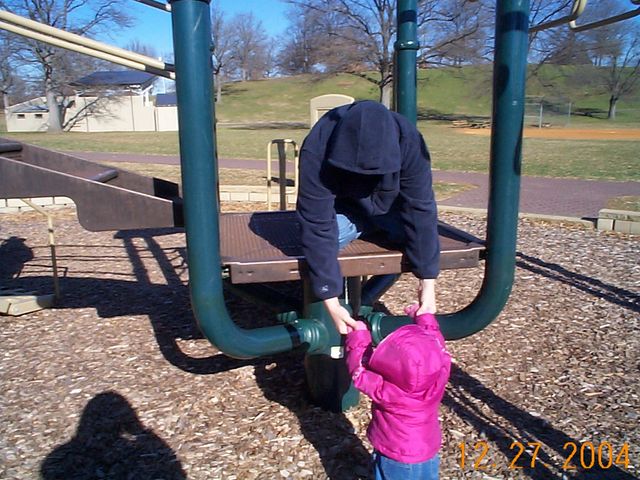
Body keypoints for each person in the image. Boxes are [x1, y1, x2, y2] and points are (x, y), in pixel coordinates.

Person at [296, 100, 440, 334]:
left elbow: (420, 209)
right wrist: (330, 298)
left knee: (420, 237)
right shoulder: (318, 145)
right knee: (320, 240)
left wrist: (428, 282)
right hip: (346, 211)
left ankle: (375, 230)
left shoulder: (409, 141)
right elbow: (316, 221)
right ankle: (364, 227)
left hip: (393, 210)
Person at [344, 304, 451, 480]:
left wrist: (358, 336)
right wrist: (424, 319)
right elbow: (437, 343)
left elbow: (360, 371)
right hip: (426, 449)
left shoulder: (388, 391)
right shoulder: (440, 374)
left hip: (395, 454)